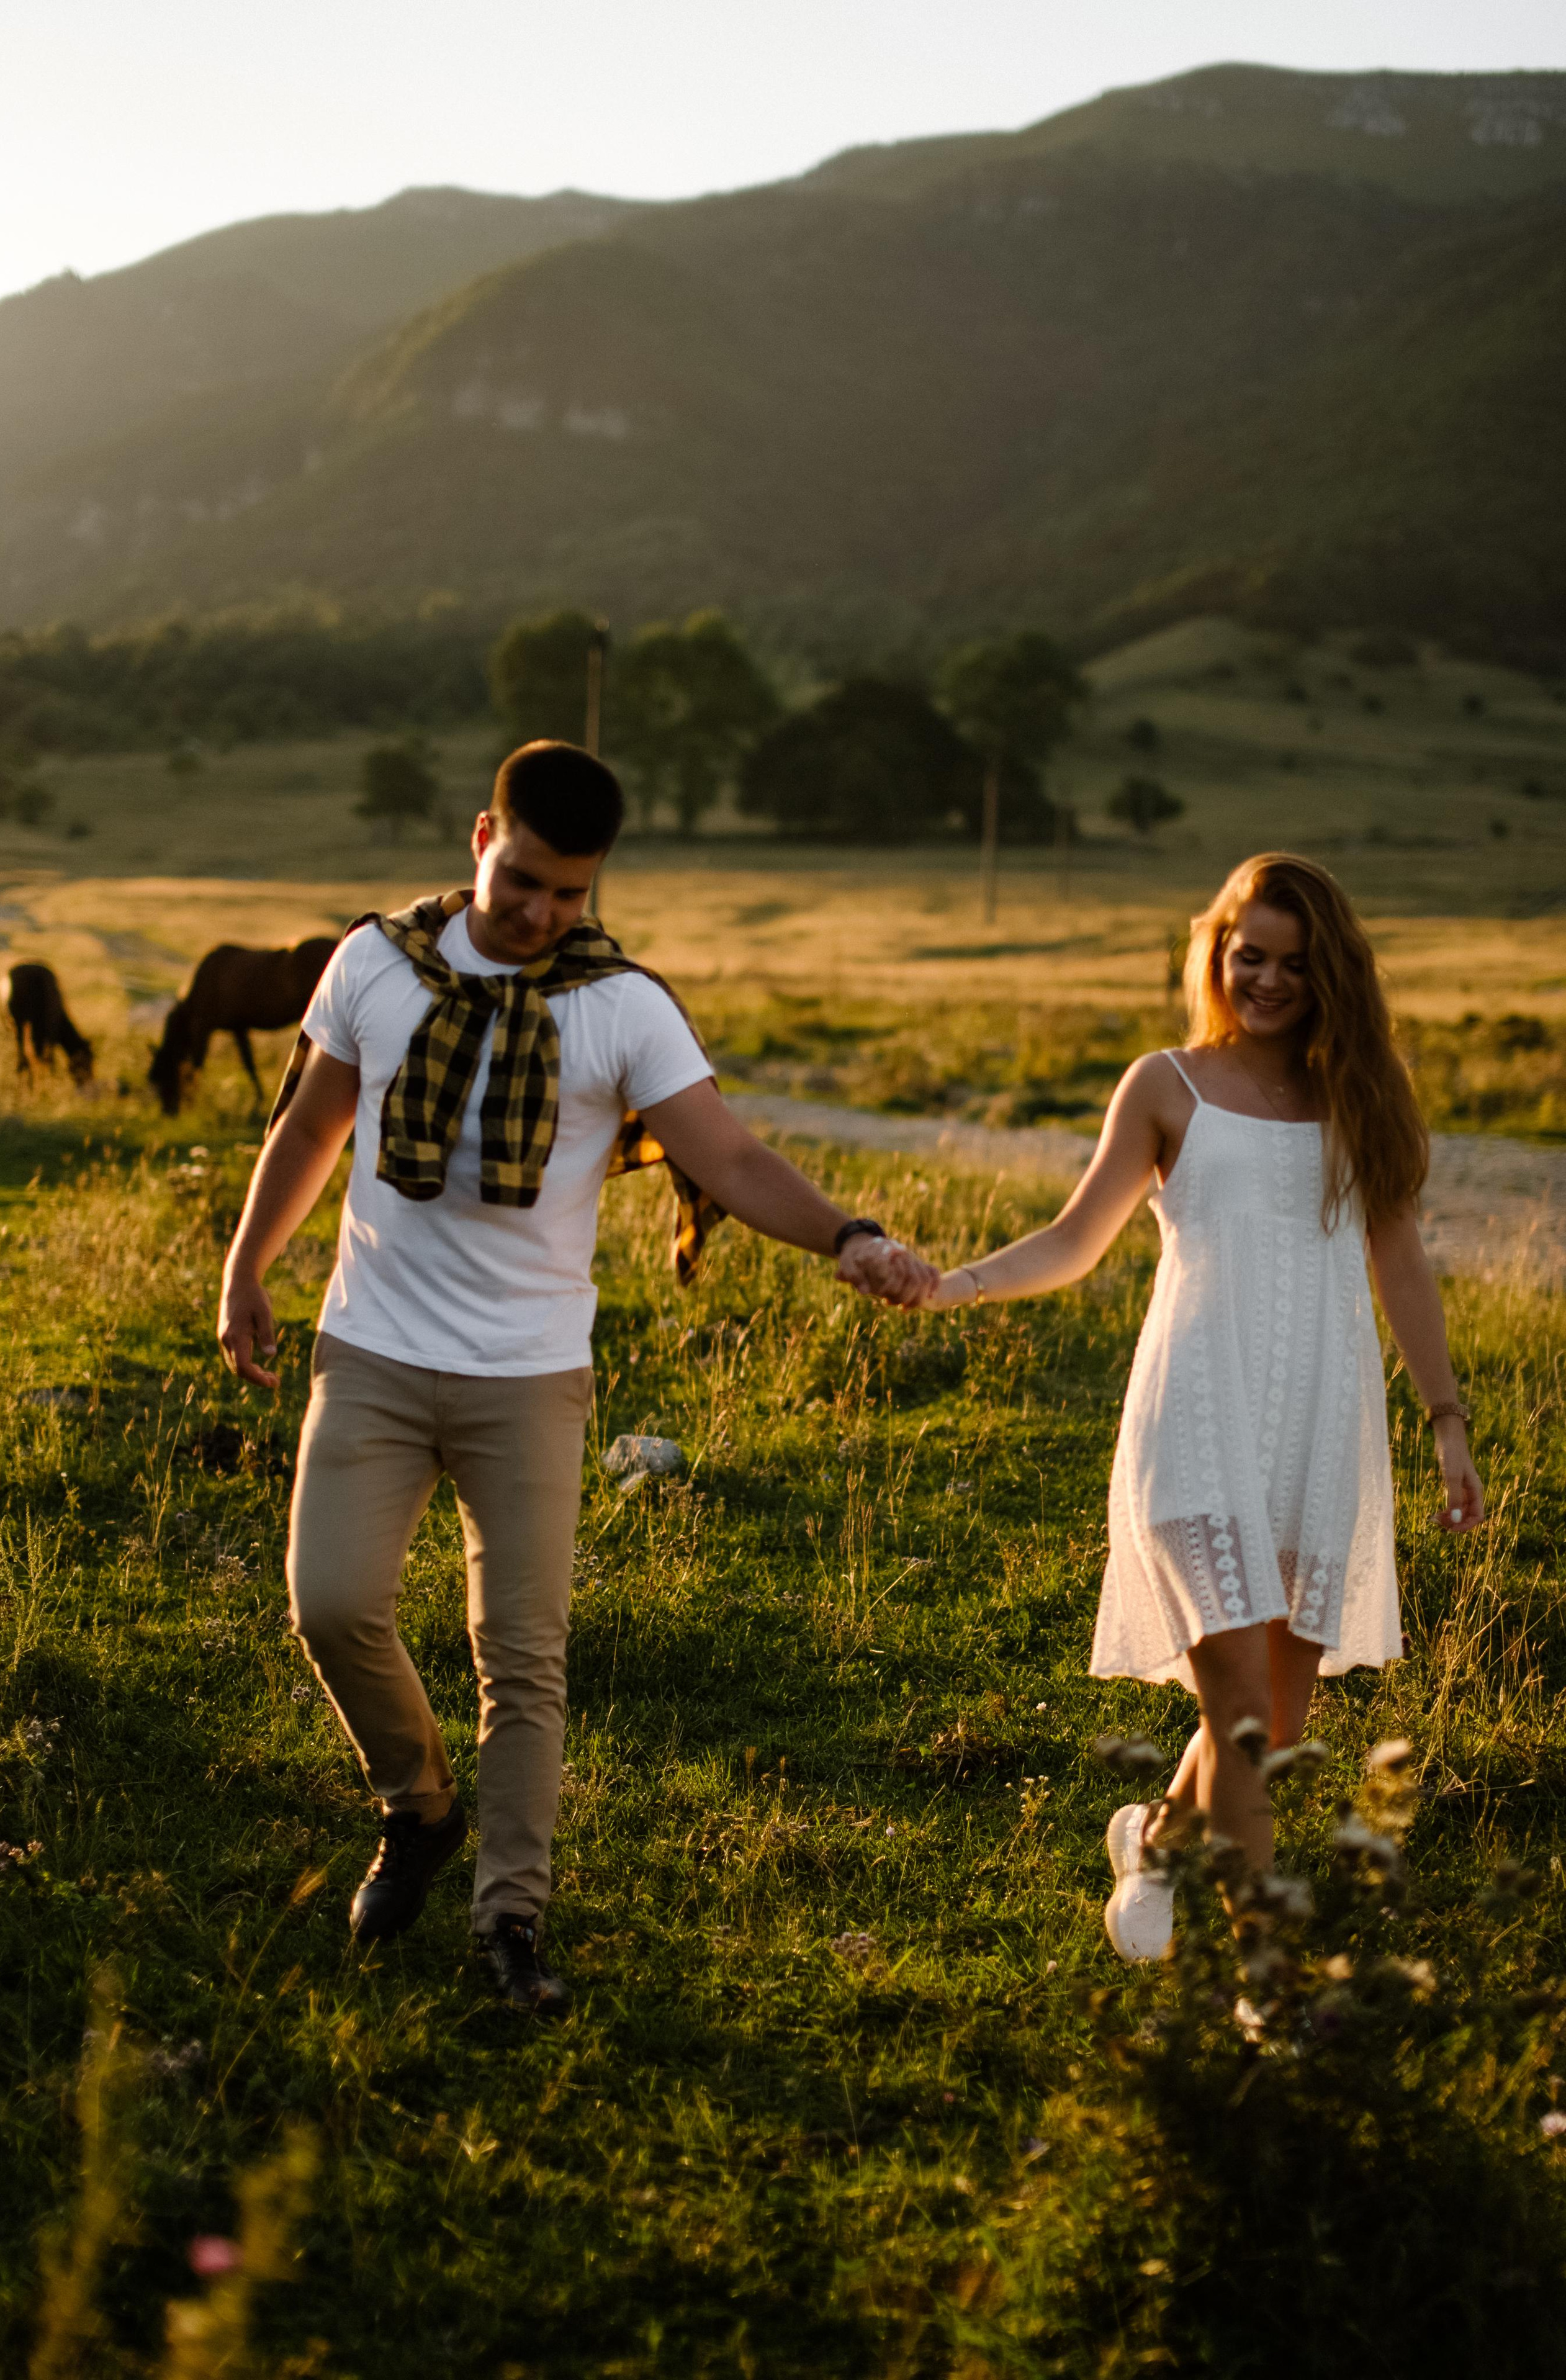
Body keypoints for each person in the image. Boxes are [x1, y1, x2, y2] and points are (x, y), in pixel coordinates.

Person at [217, 741, 931, 2014]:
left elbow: (729, 1156)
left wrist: (848, 1234)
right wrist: (245, 1268)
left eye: (573, 895)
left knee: (521, 1658)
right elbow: (312, 1125)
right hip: (372, 1352)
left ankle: (511, 1925)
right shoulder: (376, 963)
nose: (544, 915)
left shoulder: (619, 1006)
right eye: (527, 882)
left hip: (527, 1381)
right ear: (480, 837)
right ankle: (417, 1807)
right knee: (329, 1606)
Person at [859, 853, 1483, 1960]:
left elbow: (1400, 1255)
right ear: (1216, 951)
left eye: (1296, 962)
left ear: (1331, 971)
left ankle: (1151, 1838)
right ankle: (1261, 1980)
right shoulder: (1167, 1085)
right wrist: (955, 1283)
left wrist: (1447, 1421)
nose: (1270, 980)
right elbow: (1073, 1237)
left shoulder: (1359, 1095)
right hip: (1195, 1421)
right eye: (1251, 954)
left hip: (1319, 1430)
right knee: (1244, 1714)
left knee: (1271, 1734)